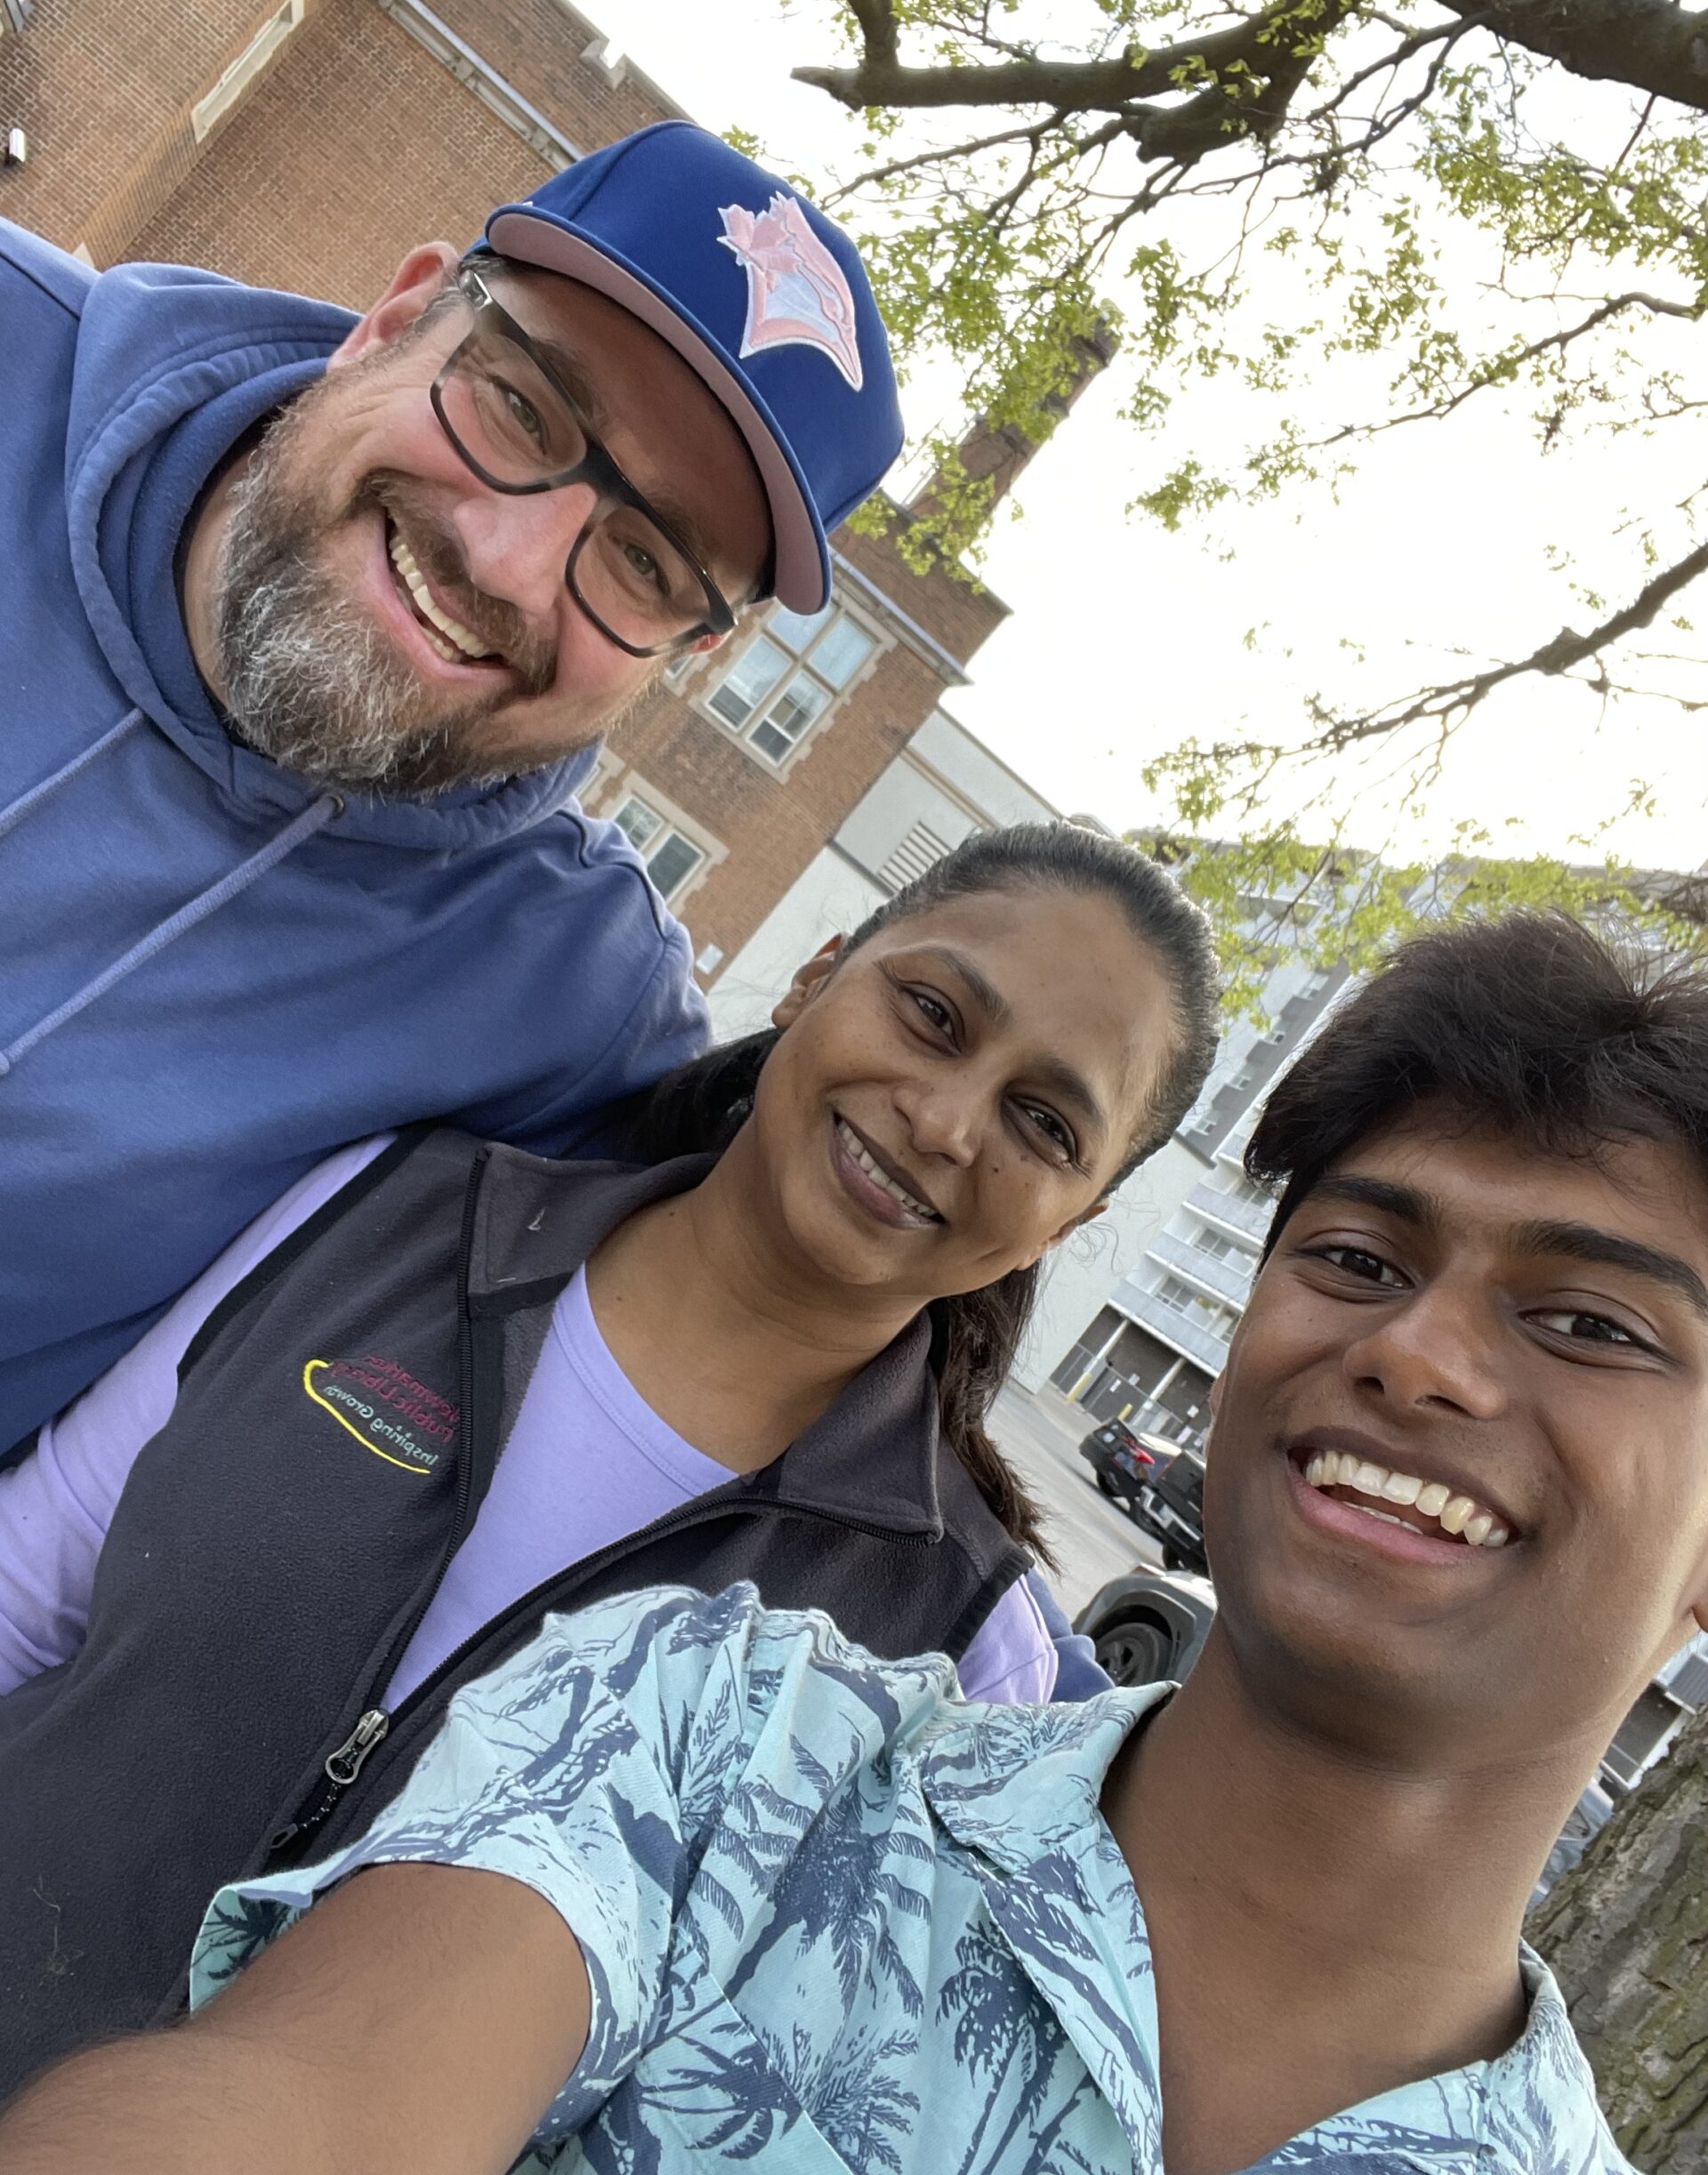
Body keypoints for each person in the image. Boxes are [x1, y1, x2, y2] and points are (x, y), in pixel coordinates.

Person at [2, 909, 1679, 2173]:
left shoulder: (965, 1620)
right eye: (1364, 1265)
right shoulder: (712, 1730)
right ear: (815, 977)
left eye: (1591, 1324)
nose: (1415, 1354)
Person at [0, 822, 1220, 2100]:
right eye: (931, 1014)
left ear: (1069, 1221)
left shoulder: (960, 1658)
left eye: (1043, 1123)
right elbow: (28, 1592)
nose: (948, 1121)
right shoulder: (390, 1215)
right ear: (816, 976)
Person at [0, 117, 903, 1457]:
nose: (508, 562)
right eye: (523, 405)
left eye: (647, 563)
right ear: (400, 315)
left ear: (691, 656)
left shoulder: (573, 1008)